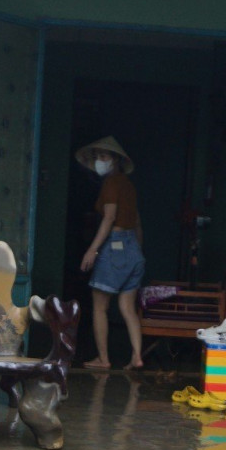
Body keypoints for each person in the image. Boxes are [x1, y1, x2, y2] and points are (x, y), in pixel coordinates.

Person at [74, 136, 146, 370]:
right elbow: (136, 222)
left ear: (115, 159)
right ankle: (136, 357)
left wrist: (92, 250)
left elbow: (109, 217)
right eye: (96, 157)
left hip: (114, 244)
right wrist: (136, 253)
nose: (98, 161)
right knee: (127, 307)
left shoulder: (111, 183)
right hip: (133, 249)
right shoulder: (129, 184)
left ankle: (103, 359)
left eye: (103, 156)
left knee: (99, 306)